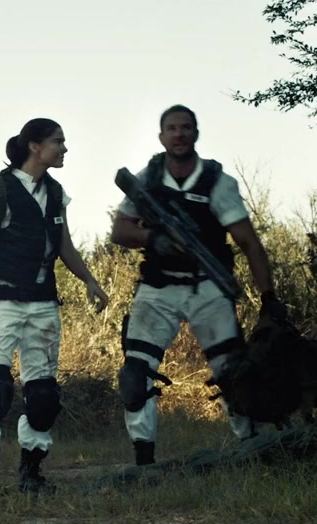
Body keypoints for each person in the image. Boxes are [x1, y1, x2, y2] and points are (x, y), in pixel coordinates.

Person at [110, 105, 289, 466]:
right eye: (172, 128)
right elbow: (120, 231)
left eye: (186, 127)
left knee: (234, 373)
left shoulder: (217, 183)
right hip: (157, 288)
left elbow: (249, 242)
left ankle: (254, 452)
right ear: (161, 136)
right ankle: (144, 463)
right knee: (135, 374)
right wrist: (154, 238)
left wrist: (268, 297)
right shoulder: (148, 179)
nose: (179, 134)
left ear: (196, 133)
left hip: (208, 286)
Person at [0, 117, 109, 493]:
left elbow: (64, 245)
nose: (64, 148)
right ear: (35, 146)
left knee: (43, 394)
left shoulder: (56, 193)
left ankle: (31, 472)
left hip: (43, 304)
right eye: (58, 141)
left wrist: (89, 280)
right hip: (1, 303)